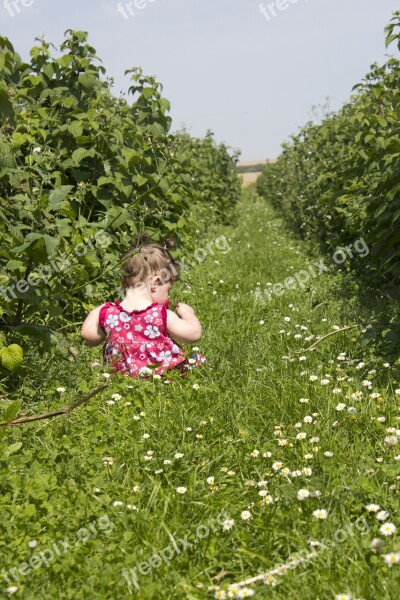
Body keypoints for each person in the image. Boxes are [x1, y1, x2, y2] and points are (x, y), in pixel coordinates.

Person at [80, 235, 206, 378]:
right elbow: (194, 334)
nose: (167, 296)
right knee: (197, 359)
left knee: (102, 369)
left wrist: (99, 310)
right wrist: (187, 314)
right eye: (168, 290)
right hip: (163, 375)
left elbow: (87, 338)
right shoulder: (160, 315)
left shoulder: (110, 315)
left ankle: (104, 371)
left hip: (122, 377)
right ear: (156, 283)